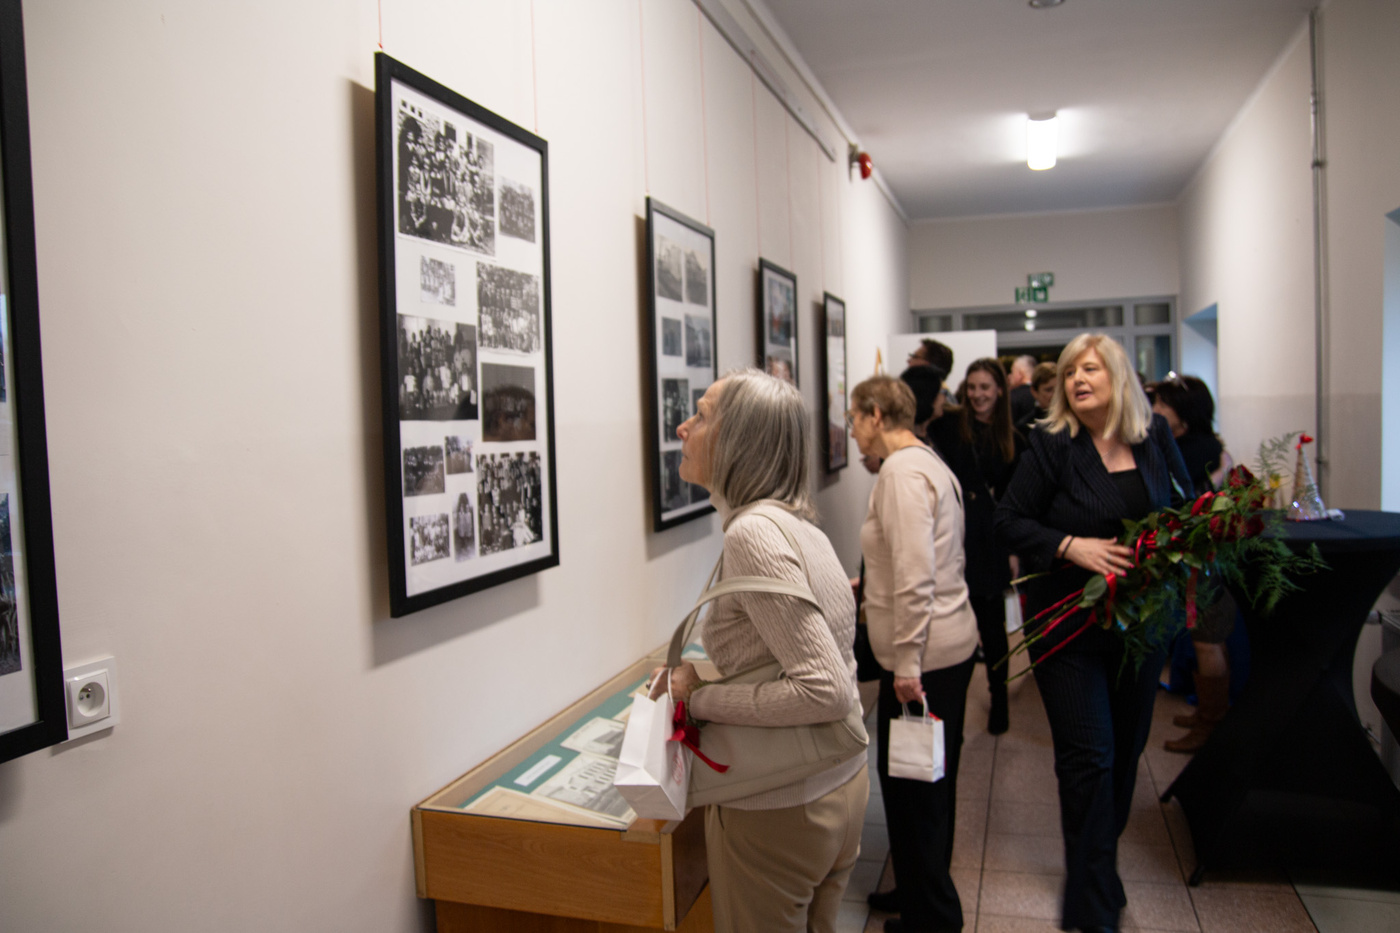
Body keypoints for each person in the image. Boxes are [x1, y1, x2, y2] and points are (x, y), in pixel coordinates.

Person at [994, 334, 1191, 933]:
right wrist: (1068, 545)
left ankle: (1096, 869)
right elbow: (1006, 521)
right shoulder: (1052, 445)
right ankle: (1092, 907)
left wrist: (1186, 549)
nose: (1079, 379)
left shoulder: (1152, 436)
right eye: (1073, 370)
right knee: (1090, 760)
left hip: (1140, 625)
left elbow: (1184, 506)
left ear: (1118, 376)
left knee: (1126, 758)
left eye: (1092, 368)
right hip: (1069, 624)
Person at [660, 368, 868, 933]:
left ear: (738, 441)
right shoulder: (800, 527)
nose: (683, 427)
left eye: (701, 415)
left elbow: (824, 689)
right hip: (838, 786)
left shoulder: (750, 535)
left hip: (783, 805)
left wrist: (699, 698)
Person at [849, 375, 978, 933]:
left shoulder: (901, 473)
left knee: (914, 795)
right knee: (923, 788)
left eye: (854, 419)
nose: (851, 432)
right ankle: (917, 891)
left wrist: (905, 665)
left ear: (877, 415)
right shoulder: (927, 462)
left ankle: (933, 918)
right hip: (943, 650)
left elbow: (916, 574)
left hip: (924, 663)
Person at [928, 358, 1025, 734]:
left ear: (999, 389)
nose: (978, 395)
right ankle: (953, 701)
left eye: (985, 387)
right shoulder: (950, 425)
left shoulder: (1014, 439)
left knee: (993, 626)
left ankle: (999, 700)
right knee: (954, 619)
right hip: (955, 532)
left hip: (991, 539)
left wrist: (1014, 549)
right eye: (972, 387)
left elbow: (1017, 500)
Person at [1148, 375, 1236, 753]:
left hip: (1202, 560)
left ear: (1182, 415)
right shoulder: (1207, 445)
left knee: (1207, 642)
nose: (1154, 411)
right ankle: (1207, 716)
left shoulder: (1190, 450)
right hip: (1199, 558)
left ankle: (1211, 724)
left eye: (1162, 404)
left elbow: (1186, 502)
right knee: (1205, 640)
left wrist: (1215, 480)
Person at [1015, 361, 1057, 433]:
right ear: (1034, 392)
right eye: (1048, 390)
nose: (1055, 394)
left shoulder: (1074, 420)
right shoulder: (1025, 427)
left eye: (1059, 389)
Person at [1007, 354, 1037, 424]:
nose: (1009, 376)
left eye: (1012, 372)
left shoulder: (1012, 396)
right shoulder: (1042, 394)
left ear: (1020, 373)